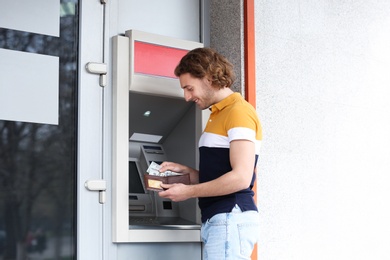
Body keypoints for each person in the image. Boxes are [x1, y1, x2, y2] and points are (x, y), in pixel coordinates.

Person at [158, 47, 262, 260]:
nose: (187, 97)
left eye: (189, 88)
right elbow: (221, 174)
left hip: (229, 217)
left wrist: (188, 192)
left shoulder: (238, 112)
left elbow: (241, 178)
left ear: (208, 78)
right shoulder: (218, 114)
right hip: (219, 220)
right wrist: (188, 174)